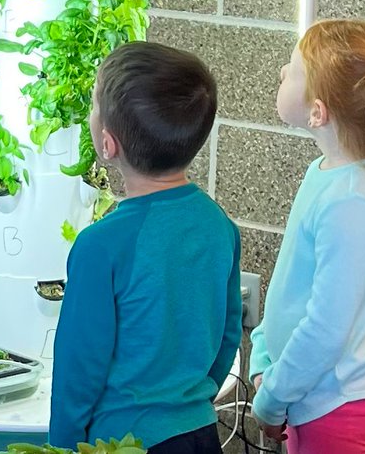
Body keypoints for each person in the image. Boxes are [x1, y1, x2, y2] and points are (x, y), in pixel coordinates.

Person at [250, 20, 365, 454]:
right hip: (308, 392)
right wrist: (263, 357)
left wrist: (272, 400)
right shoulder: (329, 173)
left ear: (318, 111)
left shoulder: (354, 202)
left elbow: (326, 328)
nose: (281, 73)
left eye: (292, 70)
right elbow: (291, 286)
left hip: (335, 405)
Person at [49, 42, 241, 454]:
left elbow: (79, 368)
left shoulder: (100, 246)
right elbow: (227, 334)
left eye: (92, 102)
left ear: (108, 144)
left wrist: (62, 446)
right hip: (199, 434)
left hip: (124, 443)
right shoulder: (219, 226)